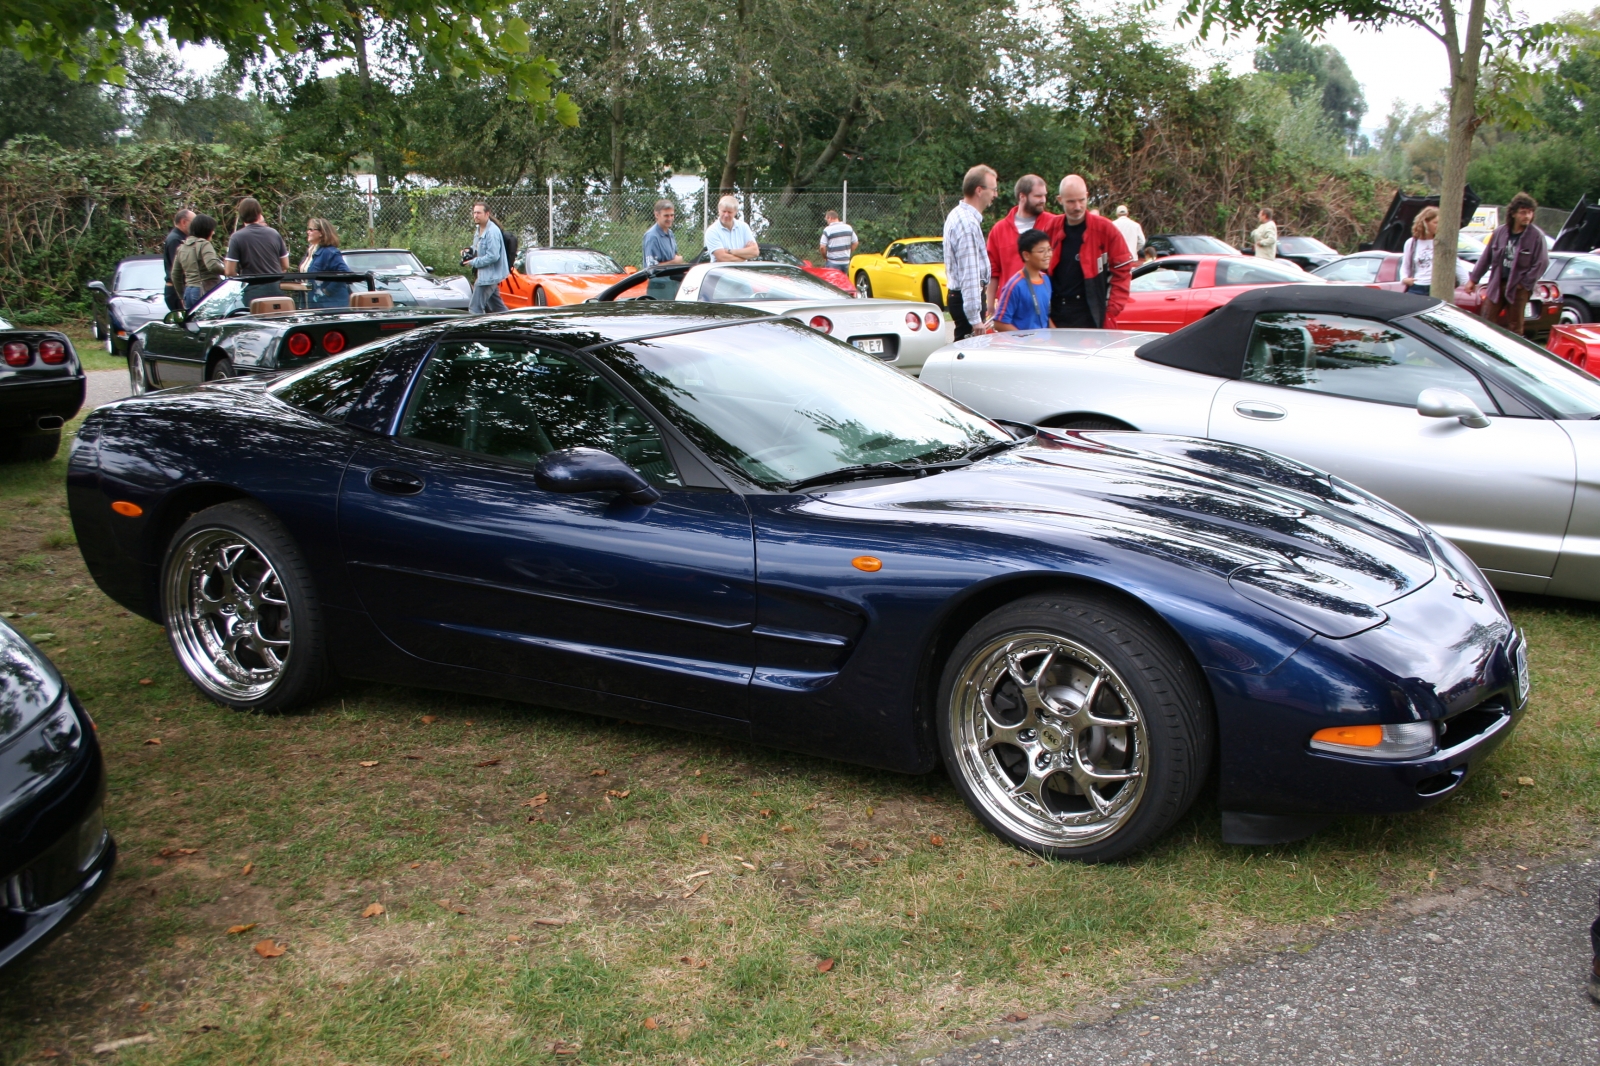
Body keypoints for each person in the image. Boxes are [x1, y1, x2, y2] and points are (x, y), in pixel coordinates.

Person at [1038, 174, 1134, 329]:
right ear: (1060, 200)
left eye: (1081, 200)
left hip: (1093, 317)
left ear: (1087, 197)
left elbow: (1122, 273)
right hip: (1056, 316)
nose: (1077, 206)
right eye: (1071, 201)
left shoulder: (1106, 230)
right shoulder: (1051, 228)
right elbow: (1037, 271)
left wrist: (1110, 312)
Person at [1467, 191, 1549, 336]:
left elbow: (1541, 263)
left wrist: (1524, 284)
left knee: (1515, 326)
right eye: (1523, 213)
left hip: (1519, 288)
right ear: (1513, 214)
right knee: (1486, 320)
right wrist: (1473, 280)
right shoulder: (1500, 232)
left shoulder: (1536, 236)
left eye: (1530, 212)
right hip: (1497, 284)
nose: (1527, 216)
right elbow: (1486, 257)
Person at [943, 164, 997, 340]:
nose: (995, 195)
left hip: (960, 299)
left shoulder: (957, 215)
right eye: (993, 189)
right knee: (969, 355)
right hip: (966, 301)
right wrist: (975, 319)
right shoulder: (968, 224)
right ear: (979, 190)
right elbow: (970, 273)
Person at [986, 174, 1054, 302]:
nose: (1043, 200)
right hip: (1011, 305)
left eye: (1044, 195)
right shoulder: (999, 230)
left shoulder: (1054, 224)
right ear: (1022, 196)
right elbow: (993, 271)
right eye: (1038, 196)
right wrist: (990, 305)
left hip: (1045, 303)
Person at [225, 197, 290, 305]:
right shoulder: (274, 233)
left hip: (252, 291)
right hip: (275, 289)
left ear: (241, 215)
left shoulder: (237, 237)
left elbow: (229, 271)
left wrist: (241, 279)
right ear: (259, 213)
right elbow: (285, 265)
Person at [993, 230, 1053, 332]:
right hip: (1026, 346)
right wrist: (1025, 341)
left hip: (1044, 345)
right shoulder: (1015, 285)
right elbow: (999, 323)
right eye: (1041, 251)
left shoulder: (1045, 279)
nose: (1047, 255)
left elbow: (1045, 316)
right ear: (1026, 255)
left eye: (1049, 249)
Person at [1401, 206, 1468, 296]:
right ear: (1425, 223)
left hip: (1438, 287)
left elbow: (1456, 263)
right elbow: (1406, 265)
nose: (1438, 226)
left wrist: (1467, 282)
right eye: (1435, 223)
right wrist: (1404, 279)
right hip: (1417, 287)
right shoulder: (1412, 243)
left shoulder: (1441, 242)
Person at [169, 214, 225, 311]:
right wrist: (227, 271)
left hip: (189, 292)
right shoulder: (204, 244)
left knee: (192, 324)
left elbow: (175, 274)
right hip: (203, 291)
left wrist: (181, 296)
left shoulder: (182, 247)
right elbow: (212, 266)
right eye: (212, 229)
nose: (213, 232)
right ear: (206, 230)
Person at [465, 200, 510, 314]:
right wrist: (469, 250)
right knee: (498, 309)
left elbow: (493, 256)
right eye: (474, 212)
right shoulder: (479, 229)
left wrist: (473, 262)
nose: (476, 215)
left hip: (488, 277)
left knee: (475, 308)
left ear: (487, 214)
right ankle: (513, 325)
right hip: (487, 275)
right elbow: (478, 247)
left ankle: (476, 330)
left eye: (479, 213)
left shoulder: (492, 232)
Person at [300, 218, 351, 308]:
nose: (308, 232)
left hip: (329, 306)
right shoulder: (310, 251)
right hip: (311, 304)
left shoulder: (330, 252)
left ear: (321, 233)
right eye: (308, 229)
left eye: (311, 229)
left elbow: (345, 273)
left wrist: (326, 291)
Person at [704, 196, 759, 262]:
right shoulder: (712, 231)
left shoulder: (744, 227)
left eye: (729, 212)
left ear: (735, 212)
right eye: (724, 211)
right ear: (719, 210)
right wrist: (744, 256)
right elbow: (722, 258)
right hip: (721, 271)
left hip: (741, 271)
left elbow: (755, 252)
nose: (726, 215)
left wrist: (730, 251)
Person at [162, 208, 194, 312]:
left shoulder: (182, 237)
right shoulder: (175, 239)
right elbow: (179, 268)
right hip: (176, 291)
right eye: (193, 222)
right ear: (184, 222)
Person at [643, 200, 684, 269]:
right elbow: (651, 268)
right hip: (658, 279)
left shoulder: (670, 233)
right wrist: (674, 263)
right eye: (666, 216)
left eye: (672, 215)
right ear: (657, 215)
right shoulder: (652, 236)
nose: (670, 218)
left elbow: (675, 256)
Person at [818, 210, 858, 276]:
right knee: (843, 282)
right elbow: (855, 242)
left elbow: (822, 247)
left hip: (833, 262)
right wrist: (848, 252)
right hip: (846, 262)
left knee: (831, 283)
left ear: (830, 218)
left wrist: (825, 257)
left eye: (826, 219)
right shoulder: (848, 227)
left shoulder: (828, 230)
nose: (827, 221)